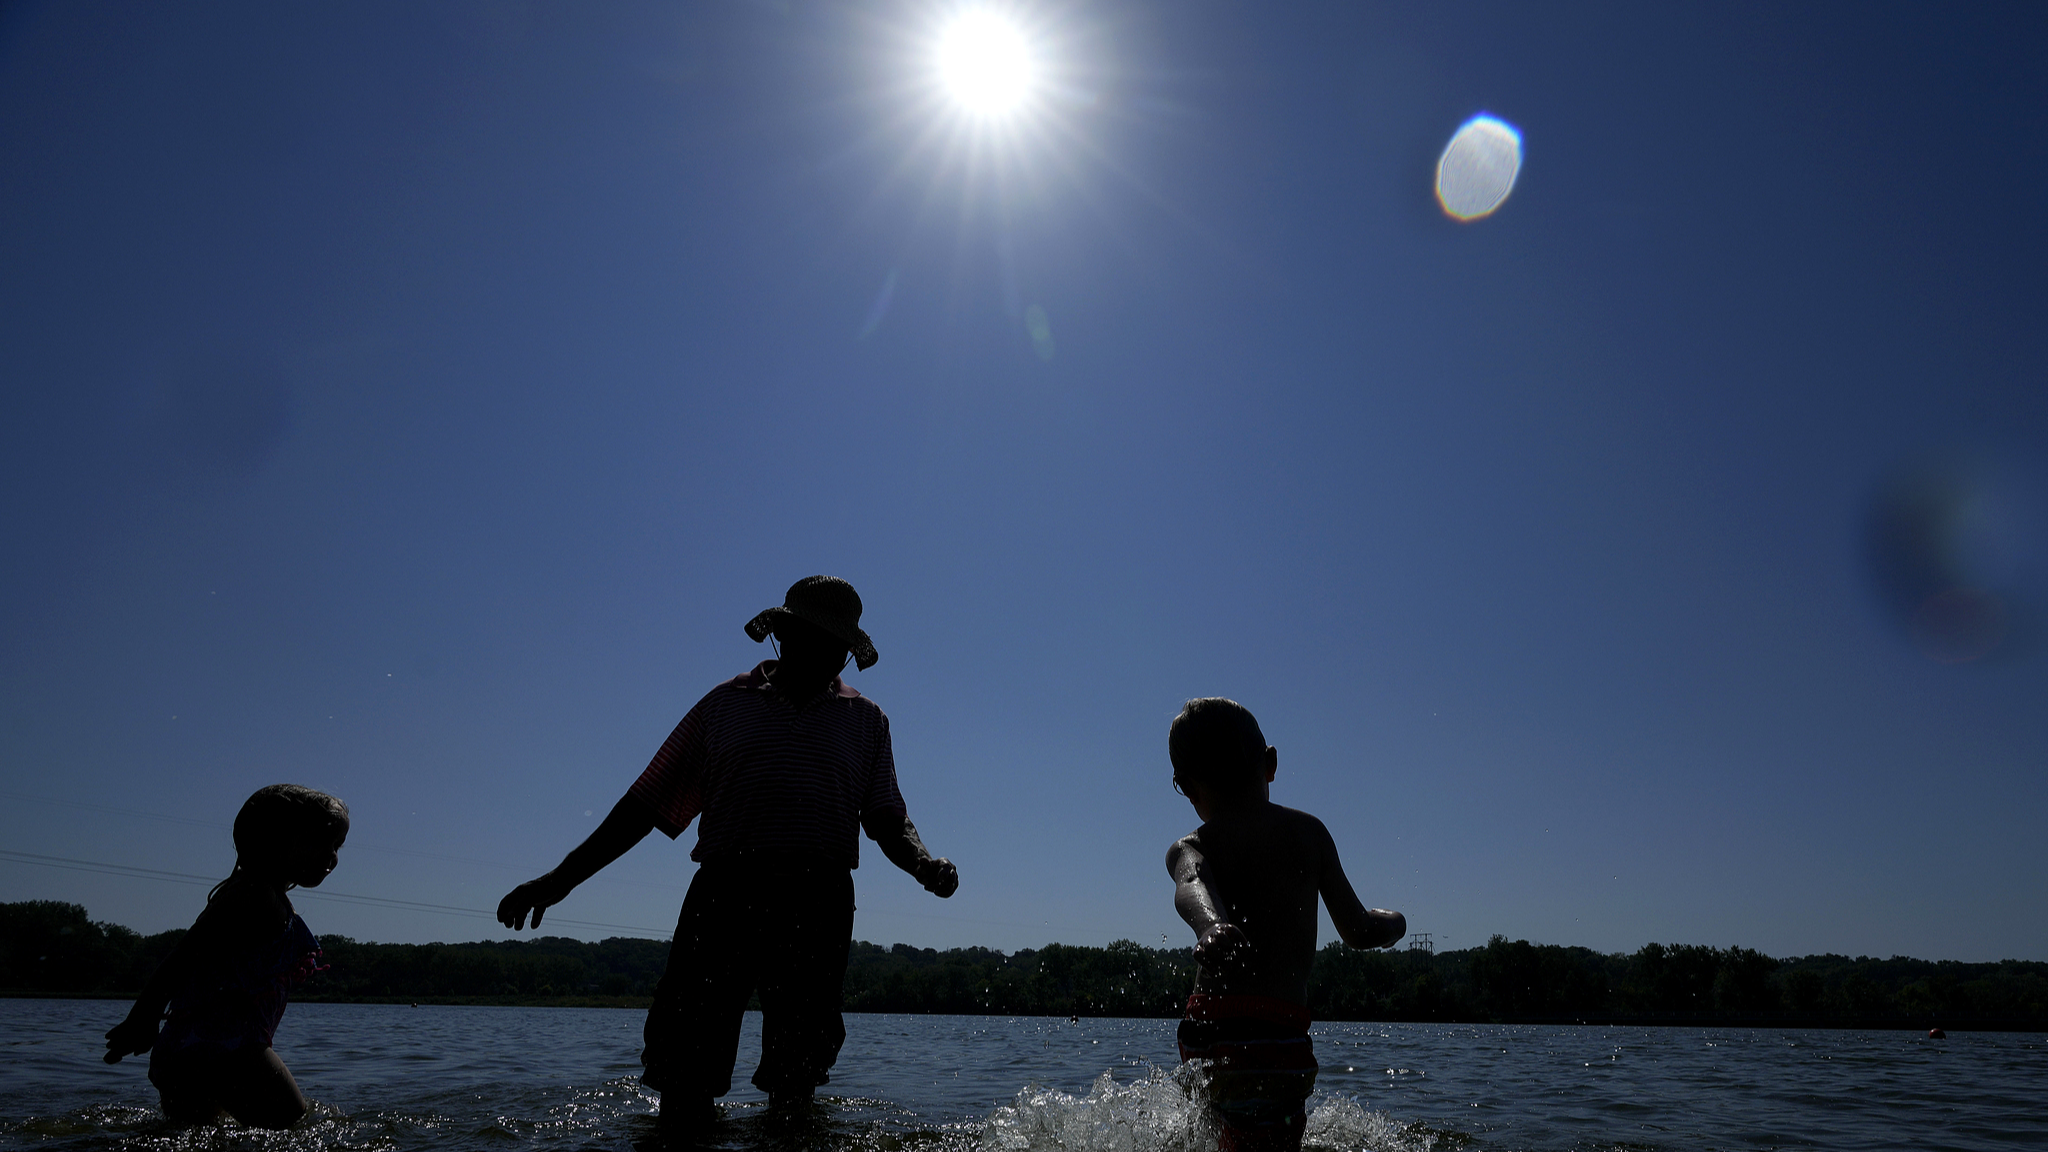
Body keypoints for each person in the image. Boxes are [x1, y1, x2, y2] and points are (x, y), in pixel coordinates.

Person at [496, 575, 958, 1139]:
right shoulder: (723, 707)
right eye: (813, 638)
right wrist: (560, 879)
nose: (825, 655)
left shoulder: (866, 722)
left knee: (797, 1078)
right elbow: (645, 803)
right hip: (725, 894)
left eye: (836, 646)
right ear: (783, 636)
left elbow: (887, 816)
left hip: (818, 903)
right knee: (684, 1071)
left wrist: (924, 864)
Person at [1164, 698, 1404, 1152]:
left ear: (1186, 787)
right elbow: (1358, 930)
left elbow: (1191, 883)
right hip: (1282, 1038)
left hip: (1213, 1030)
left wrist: (1211, 926)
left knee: (1208, 1131)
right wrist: (1393, 925)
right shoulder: (1309, 834)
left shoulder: (1192, 844)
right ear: (1270, 763)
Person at [103, 784, 349, 1129]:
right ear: (273, 839)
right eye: (319, 842)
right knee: (293, 1118)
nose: (331, 856)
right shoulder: (254, 895)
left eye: (337, 846)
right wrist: (143, 1017)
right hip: (231, 1050)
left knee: (193, 1136)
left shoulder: (260, 895)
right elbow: (185, 954)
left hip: (182, 1050)